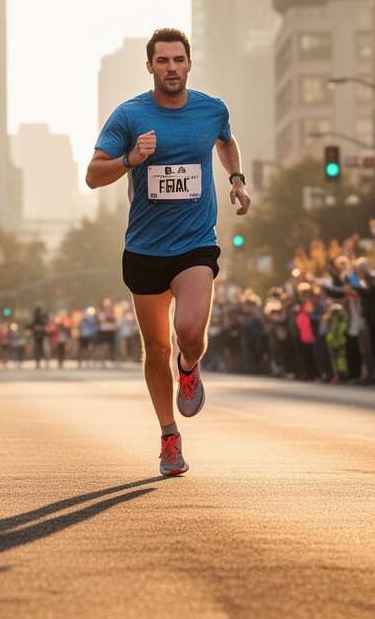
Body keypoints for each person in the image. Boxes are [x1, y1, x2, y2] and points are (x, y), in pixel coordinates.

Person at [86, 28, 250, 476]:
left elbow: (225, 141)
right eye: (163, 61)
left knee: (189, 331)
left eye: (179, 60)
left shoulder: (211, 109)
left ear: (189, 64)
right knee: (155, 347)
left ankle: (190, 365)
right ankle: (168, 435)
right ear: (150, 67)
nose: (171, 68)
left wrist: (236, 179)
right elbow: (93, 175)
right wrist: (130, 161)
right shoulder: (129, 116)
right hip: (144, 248)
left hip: (196, 242)